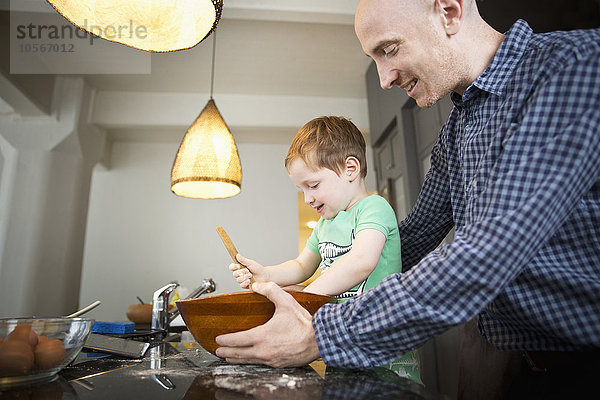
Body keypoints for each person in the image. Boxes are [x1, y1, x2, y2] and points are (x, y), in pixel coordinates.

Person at [216, 0, 600, 398]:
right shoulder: (457, 130)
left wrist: (321, 329)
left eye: (389, 49)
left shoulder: (572, 66)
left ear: (449, 12)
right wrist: (317, 279)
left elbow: (488, 251)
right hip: (500, 352)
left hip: (583, 362)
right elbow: (409, 238)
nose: (384, 78)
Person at [229, 116, 421, 382]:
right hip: (341, 340)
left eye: (313, 185)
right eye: (301, 189)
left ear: (350, 169)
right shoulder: (324, 224)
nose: (307, 198)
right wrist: (266, 274)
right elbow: (300, 266)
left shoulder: (373, 208)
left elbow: (362, 260)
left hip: (383, 344)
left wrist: (305, 297)